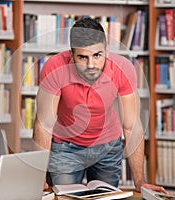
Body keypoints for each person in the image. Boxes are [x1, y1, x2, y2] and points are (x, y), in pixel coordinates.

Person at [32, 17, 167, 193]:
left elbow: (132, 126)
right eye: (82, 57)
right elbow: (44, 125)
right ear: (71, 56)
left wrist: (139, 182)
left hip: (108, 147)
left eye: (97, 55)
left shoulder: (123, 69)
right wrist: (40, 177)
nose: (91, 65)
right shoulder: (55, 67)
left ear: (107, 51)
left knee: (106, 197)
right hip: (66, 147)